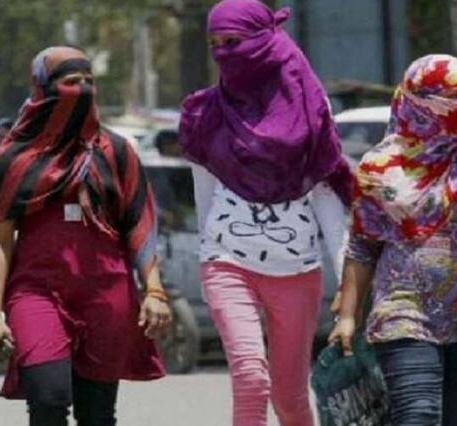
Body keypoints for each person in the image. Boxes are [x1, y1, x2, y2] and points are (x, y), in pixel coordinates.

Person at [179, 1, 353, 425]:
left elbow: (327, 195)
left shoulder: (309, 106)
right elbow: (204, 195)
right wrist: (208, 252)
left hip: (297, 269)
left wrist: (347, 281)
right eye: (215, 43)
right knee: (251, 379)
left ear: (264, 41)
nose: (224, 52)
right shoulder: (205, 112)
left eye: (234, 41)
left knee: (290, 399)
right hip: (226, 262)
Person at [0, 46, 170, 426]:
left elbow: (139, 224)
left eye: (88, 82)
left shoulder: (116, 151)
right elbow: (0, 242)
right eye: (69, 82)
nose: (81, 90)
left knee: (97, 415)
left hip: (106, 292)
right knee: (48, 400)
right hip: (36, 291)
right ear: (43, 89)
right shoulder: (14, 159)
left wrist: (154, 291)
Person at [330, 54, 457, 425]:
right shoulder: (380, 164)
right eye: (450, 97)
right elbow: (363, 244)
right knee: (417, 415)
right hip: (403, 308)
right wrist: (348, 316)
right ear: (415, 99)